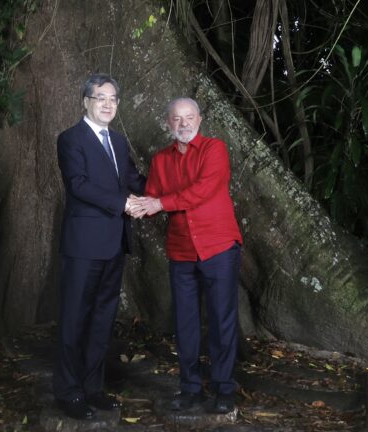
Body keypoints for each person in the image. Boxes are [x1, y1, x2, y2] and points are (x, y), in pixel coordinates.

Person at [130, 97, 243, 414]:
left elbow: (203, 190)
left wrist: (159, 204)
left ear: (199, 119)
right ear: (168, 124)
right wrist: (131, 204)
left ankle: (223, 390)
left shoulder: (214, 149)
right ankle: (190, 387)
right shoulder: (161, 161)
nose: (184, 124)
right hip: (181, 251)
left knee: (221, 321)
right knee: (186, 323)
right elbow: (151, 199)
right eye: (177, 119)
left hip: (218, 247)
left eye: (189, 117)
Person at [53, 73, 146, 420]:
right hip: (83, 246)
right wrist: (124, 203)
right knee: (75, 319)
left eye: (113, 98)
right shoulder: (71, 139)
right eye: (100, 97)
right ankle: (68, 391)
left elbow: (135, 180)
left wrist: (162, 196)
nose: (108, 103)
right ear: (85, 102)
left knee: (102, 320)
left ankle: (93, 388)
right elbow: (79, 186)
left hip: (114, 245)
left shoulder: (119, 142)